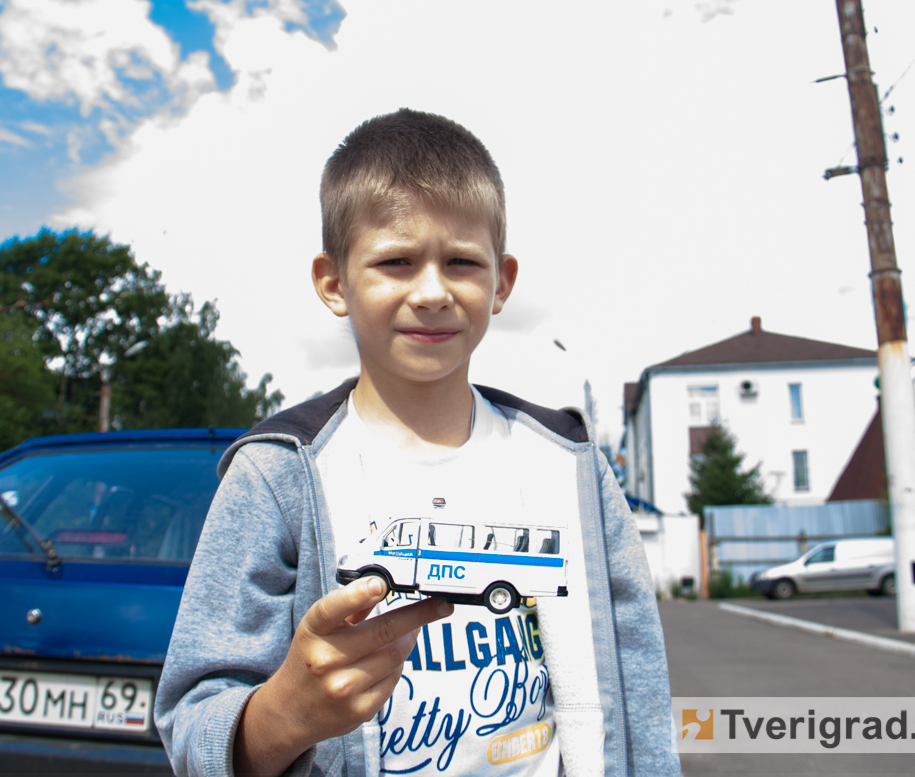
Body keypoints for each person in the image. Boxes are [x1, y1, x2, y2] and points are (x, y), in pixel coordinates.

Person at [155, 109, 680, 776]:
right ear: (333, 281)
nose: (431, 292)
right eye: (396, 262)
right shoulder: (277, 474)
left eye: (461, 262)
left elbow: (639, 691)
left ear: (501, 282)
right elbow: (191, 721)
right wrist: (283, 715)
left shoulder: (571, 467)